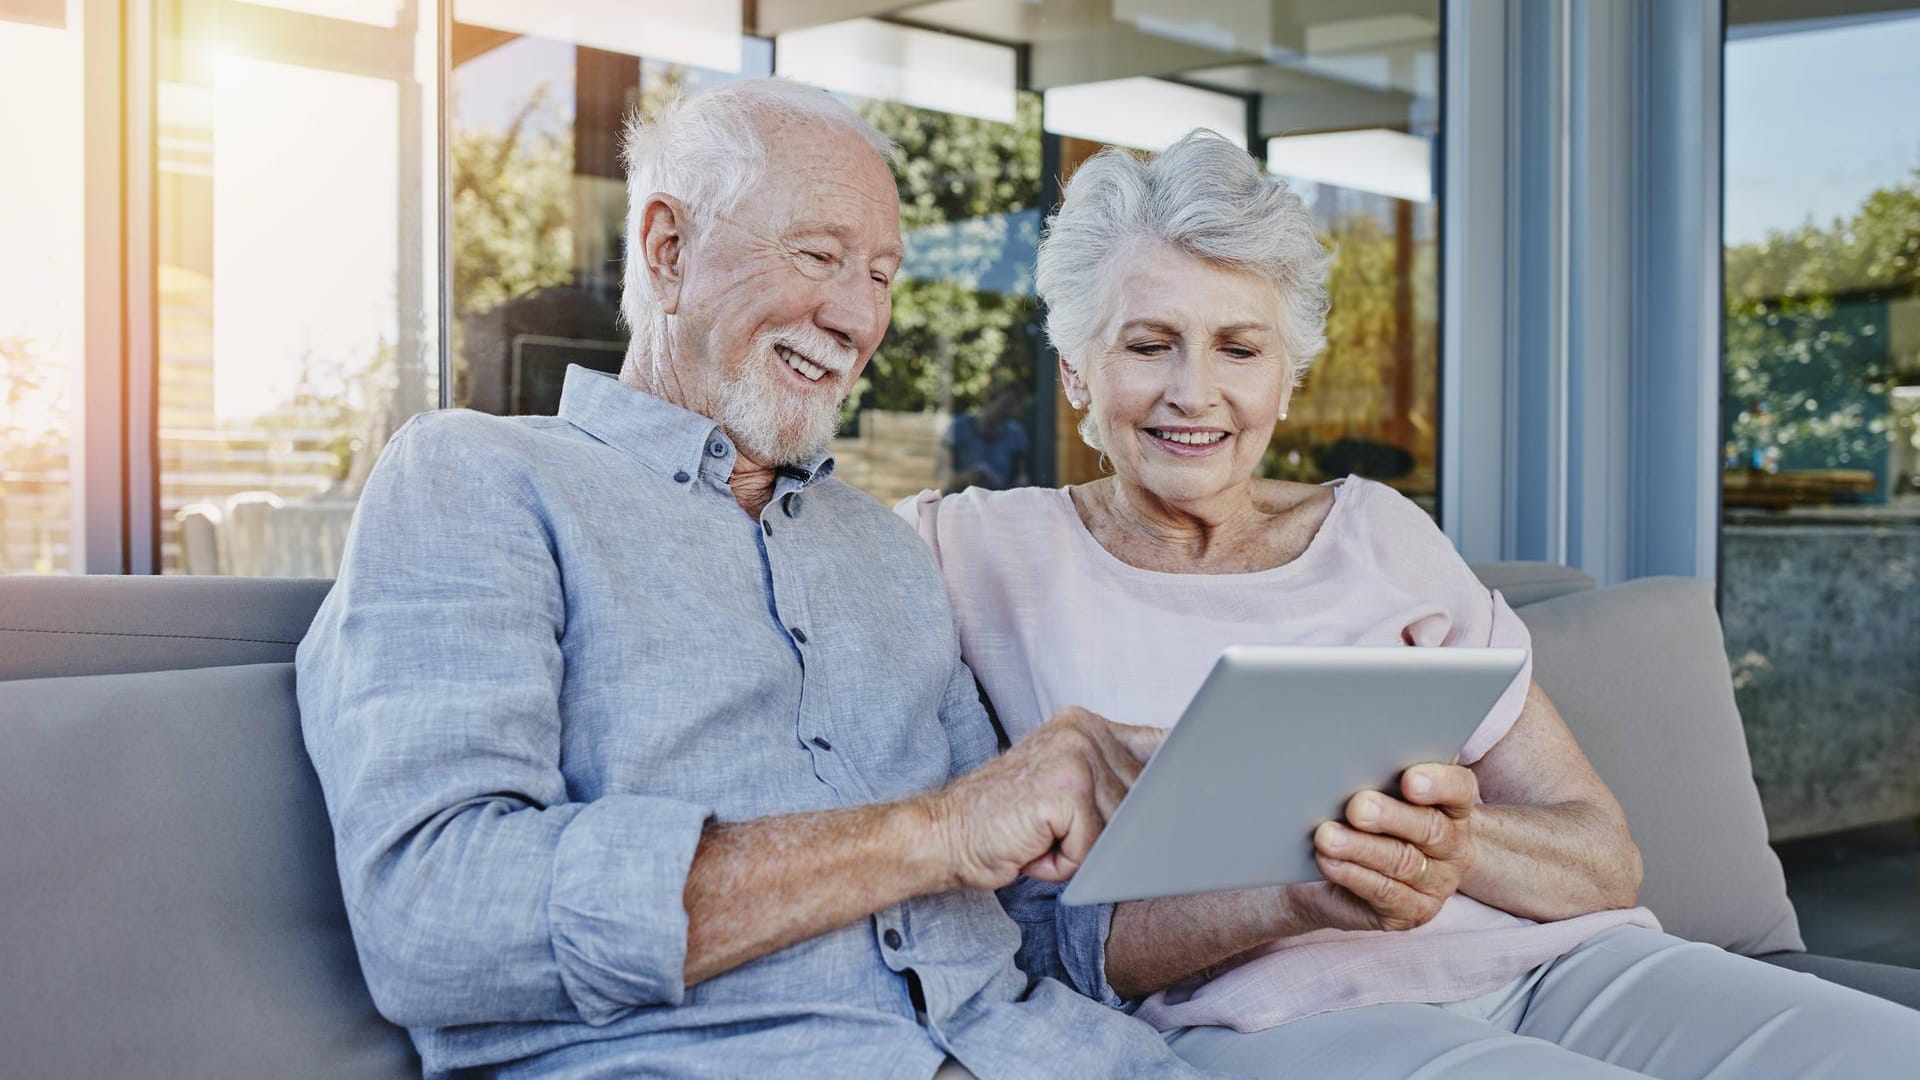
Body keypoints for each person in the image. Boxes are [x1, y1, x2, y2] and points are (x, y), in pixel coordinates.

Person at [899, 129, 1920, 1078]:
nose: (1193, 392)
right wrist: (1298, 885)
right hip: (1278, 1014)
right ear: (1075, 370)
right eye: (1148, 343)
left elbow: (1603, 860)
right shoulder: (970, 549)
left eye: (1240, 350)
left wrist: (1441, 847)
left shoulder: (1379, 531)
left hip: (1562, 965)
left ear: (1290, 380)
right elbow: (1050, 935)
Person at [296, 79, 1219, 1080]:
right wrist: (938, 831)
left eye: (883, 276)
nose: (861, 316)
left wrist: (1300, 892)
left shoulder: (888, 555)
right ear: (667, 249)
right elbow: (438, 919)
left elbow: (1028, 940)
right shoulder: (477, 481)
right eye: (819, 256)